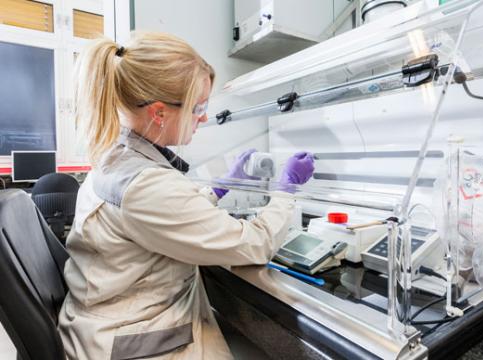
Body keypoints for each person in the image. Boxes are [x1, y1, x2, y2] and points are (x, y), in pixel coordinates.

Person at [57, 32, 314, 359]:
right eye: (199, 107)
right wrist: (286, 189)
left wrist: (219, 188)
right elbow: (254, 244)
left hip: (110, 321)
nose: (204, 117)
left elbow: (165, 219)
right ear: (159, 113)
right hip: (135, 340)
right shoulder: (144, 183)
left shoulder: (117, 156)